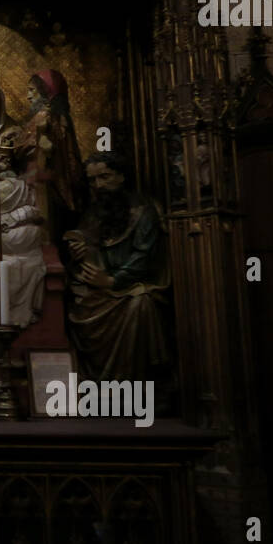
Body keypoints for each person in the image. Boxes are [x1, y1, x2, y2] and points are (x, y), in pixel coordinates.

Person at [63, 151, 171, 383]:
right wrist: (78, 251)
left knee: (140, 306)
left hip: (133, 284)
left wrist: (112, 281)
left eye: (105, 177)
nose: (98, 185)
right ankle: (99, 383)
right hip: (96, 287)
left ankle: (135, 384)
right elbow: (87, 239)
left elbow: (144, 256)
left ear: (121, 177)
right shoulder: (95, 211)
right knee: (77, 304)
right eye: (92, 180)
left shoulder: (144, 212)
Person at [20, 69, 86, 238]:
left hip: (44, 177)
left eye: (32, 90)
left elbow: (46, 147)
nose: (28, 96)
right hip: (39, 175)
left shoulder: (46, 116)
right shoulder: (55, 116)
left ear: (46, 90)